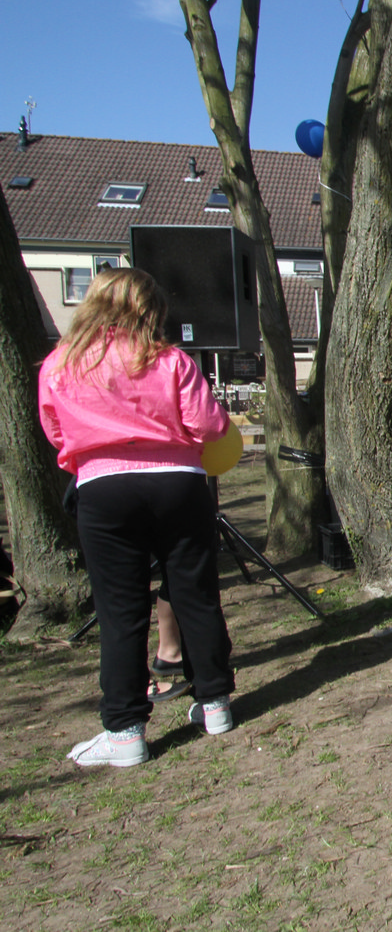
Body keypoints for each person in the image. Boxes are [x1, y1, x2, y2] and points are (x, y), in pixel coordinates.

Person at [37, 268, 236, 768]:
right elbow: (210, 425)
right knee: (195, 595)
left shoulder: (60, 364)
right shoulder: (171, 361)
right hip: (178, 484)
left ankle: (125, 732)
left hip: (104, 488)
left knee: (121, 611)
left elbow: (56, 432)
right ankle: (215, 705)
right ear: (152, 310)